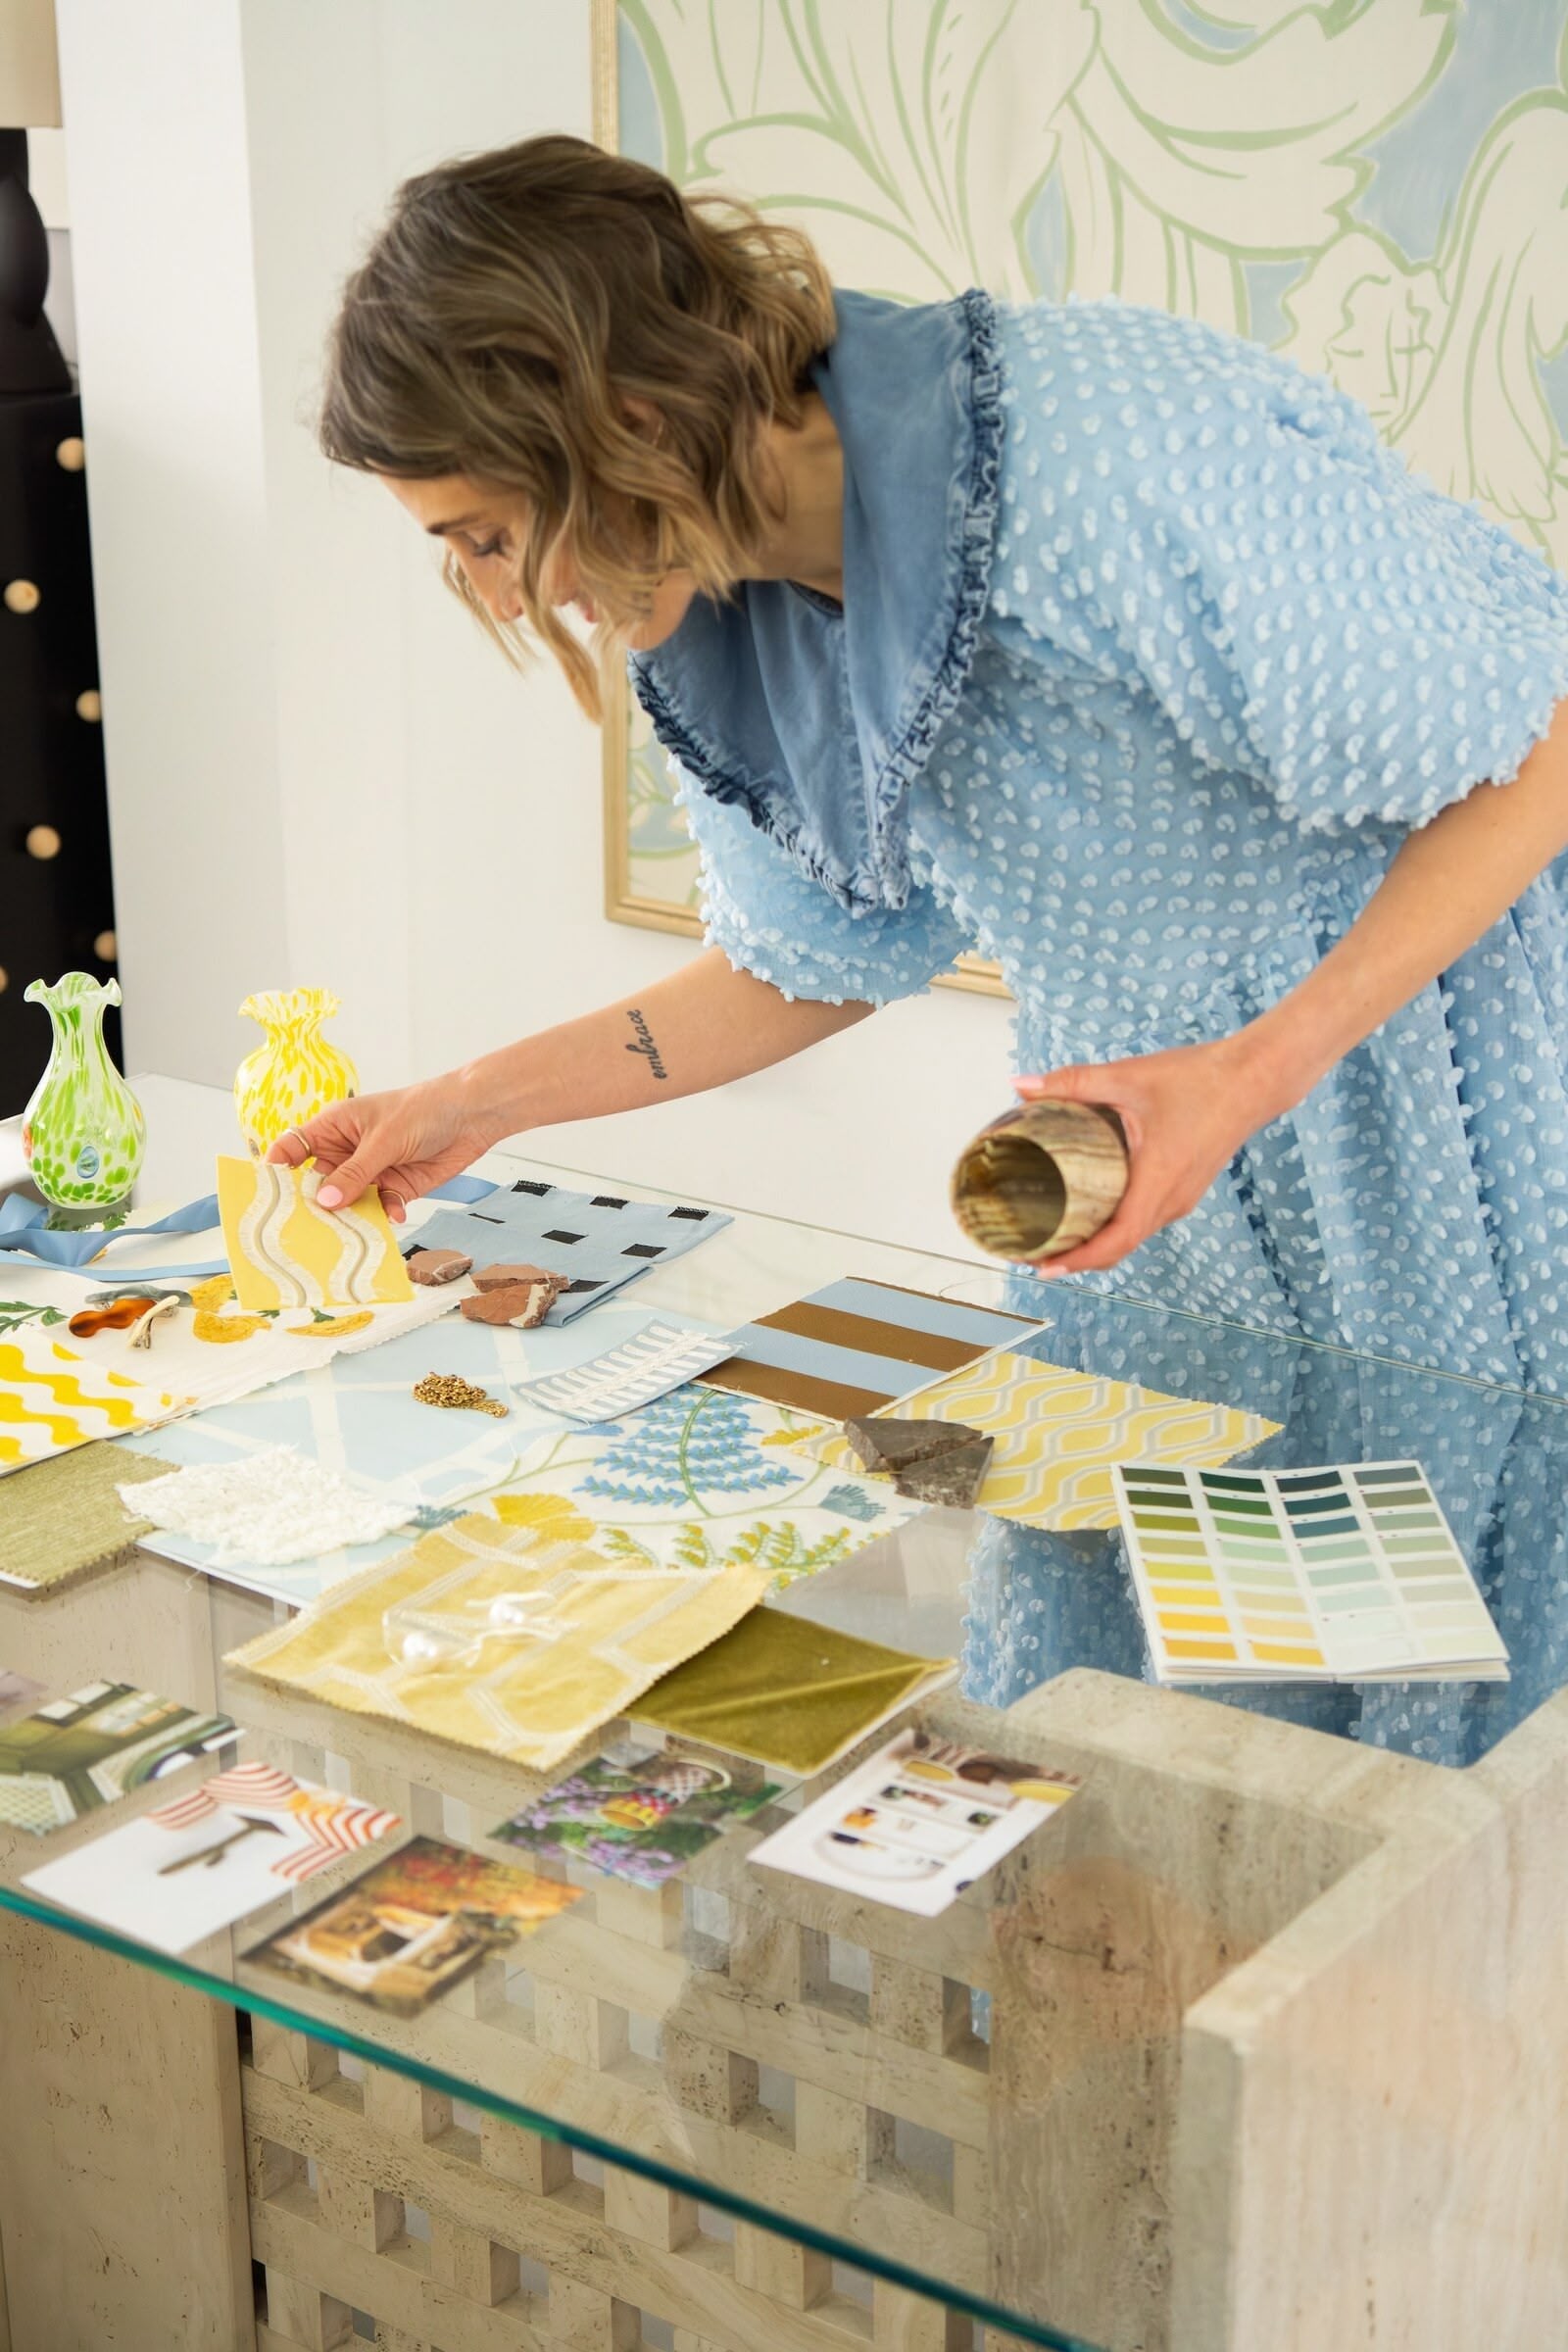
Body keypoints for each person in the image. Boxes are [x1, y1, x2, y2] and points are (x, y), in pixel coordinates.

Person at [277, 134, 1568, 1396]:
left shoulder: (1101, 455)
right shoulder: (717, 598)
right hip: (1152, 1170)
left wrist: (1247, 1074)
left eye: (492, 535)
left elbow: (1539, 741)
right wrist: (469, 1103)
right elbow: (805, 962)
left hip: (1456, 1119)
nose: (505, 601)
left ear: (629, 422)